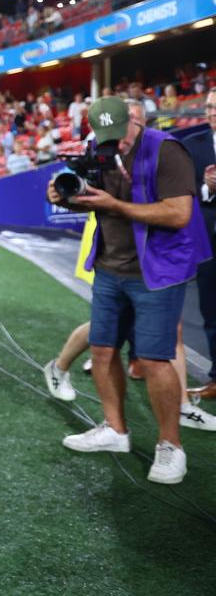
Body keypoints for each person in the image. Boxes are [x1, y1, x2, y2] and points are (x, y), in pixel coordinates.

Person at [46, 97, 209, 484]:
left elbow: (178, 214)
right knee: (102, 350)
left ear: (136, 122)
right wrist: (65, 198)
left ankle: (171, 446)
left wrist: (115, 204)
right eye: (106, 136)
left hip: (157, 271)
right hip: (109, 266)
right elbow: (93, 203)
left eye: (120, 134)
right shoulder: (96, 147)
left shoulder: (167, 150)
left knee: (154, 359)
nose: (115, 143)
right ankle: (115, 430)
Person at [185, 90, 216, 400]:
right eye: (208, 107)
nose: (211, 112)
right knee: (211, 311)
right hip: (208, 244)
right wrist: (206, 187)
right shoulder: (193, 146)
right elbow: (183, 189)